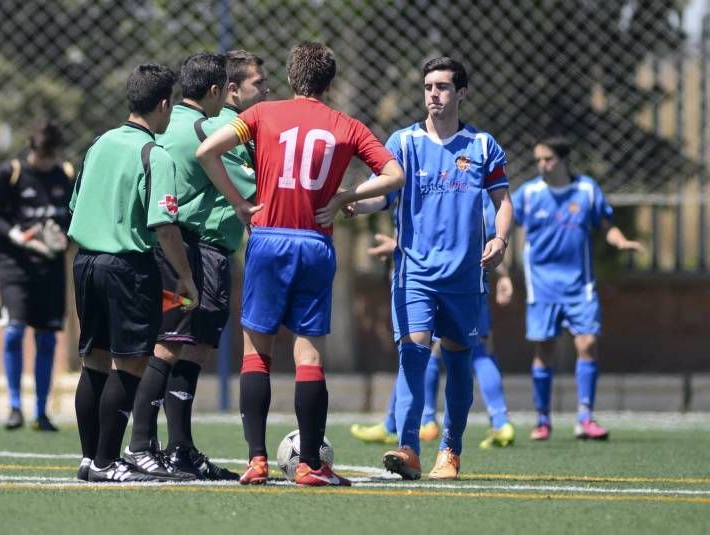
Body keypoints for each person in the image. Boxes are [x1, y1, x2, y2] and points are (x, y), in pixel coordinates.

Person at [197, 41, 405, 487]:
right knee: (308, 352)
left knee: (257, 352)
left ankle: (256, 459)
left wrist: (239, 203)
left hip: (268, 238)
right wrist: (348, 195)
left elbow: (206, 152)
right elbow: (395, 175)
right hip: (314, 241)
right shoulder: (346, 125)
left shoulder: (261, 114)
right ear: (330, 84)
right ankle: (310, 463)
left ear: (292, 79)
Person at [351, 57, 513, 480]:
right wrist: (353, 201)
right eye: (428, 87)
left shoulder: (482, 147)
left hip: (464, 279)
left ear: (461, 93)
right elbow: (380, 195)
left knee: (459, 364)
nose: (433, 94)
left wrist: (500, 239)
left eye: (442, 87)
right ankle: (408, 448)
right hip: (415, 275)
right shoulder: (403, 143)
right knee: (414, 354)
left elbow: (503, 203)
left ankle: (450, 451)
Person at [123, 50, 268, 481]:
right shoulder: (217, 127)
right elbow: (257, 187)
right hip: (198, 248)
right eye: (259, 84)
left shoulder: (166, 126)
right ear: (218, 90)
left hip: (163, 245)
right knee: (177, 345)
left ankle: (176, 447)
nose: (264, 91)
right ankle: (143, 445)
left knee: (182, 344)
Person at [68, 63, 198, 482]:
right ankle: (108, 462)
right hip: (127, 266)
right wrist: (185, 277)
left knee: (95, 361)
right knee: (131, 364)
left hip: (85, 262)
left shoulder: (98, 144)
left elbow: (75, 206)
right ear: (163, 104)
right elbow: (164, 225)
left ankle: (91, 460)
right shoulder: (153, 154)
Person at [351, 192, 517, 450]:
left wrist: (502, 273)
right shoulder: (446, 177)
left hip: (455, 280)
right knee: (430, 348)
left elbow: (472, 233)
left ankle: (428, 421)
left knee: (438, 348)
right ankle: (496, 420)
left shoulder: (471, 175)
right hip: (464, 277)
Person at [512, 136, 644, 442]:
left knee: (587, 344)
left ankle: (585, 417)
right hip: (542, 286)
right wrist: (503, 272)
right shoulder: (529, 193)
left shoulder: (586, 190)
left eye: (548, 159)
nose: (542, 165)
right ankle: (543, 419)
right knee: (545, 349)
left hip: (579, 286)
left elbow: (606, 225)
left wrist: (620, 240)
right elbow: (504, 223)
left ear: (564, 160)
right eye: (538, 160)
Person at [0, 120, 73, 432]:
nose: (44, 162)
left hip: (50, 269)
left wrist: (66, 238)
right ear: (30, 147)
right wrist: (17, 235)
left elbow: (72, 218)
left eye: (50, 156)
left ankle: (41, 412)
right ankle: (13, 406)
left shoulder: (65, 174)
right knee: (14, 330)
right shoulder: (13, 173)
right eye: (40, 156)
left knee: (47, 338)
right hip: (16, 266)